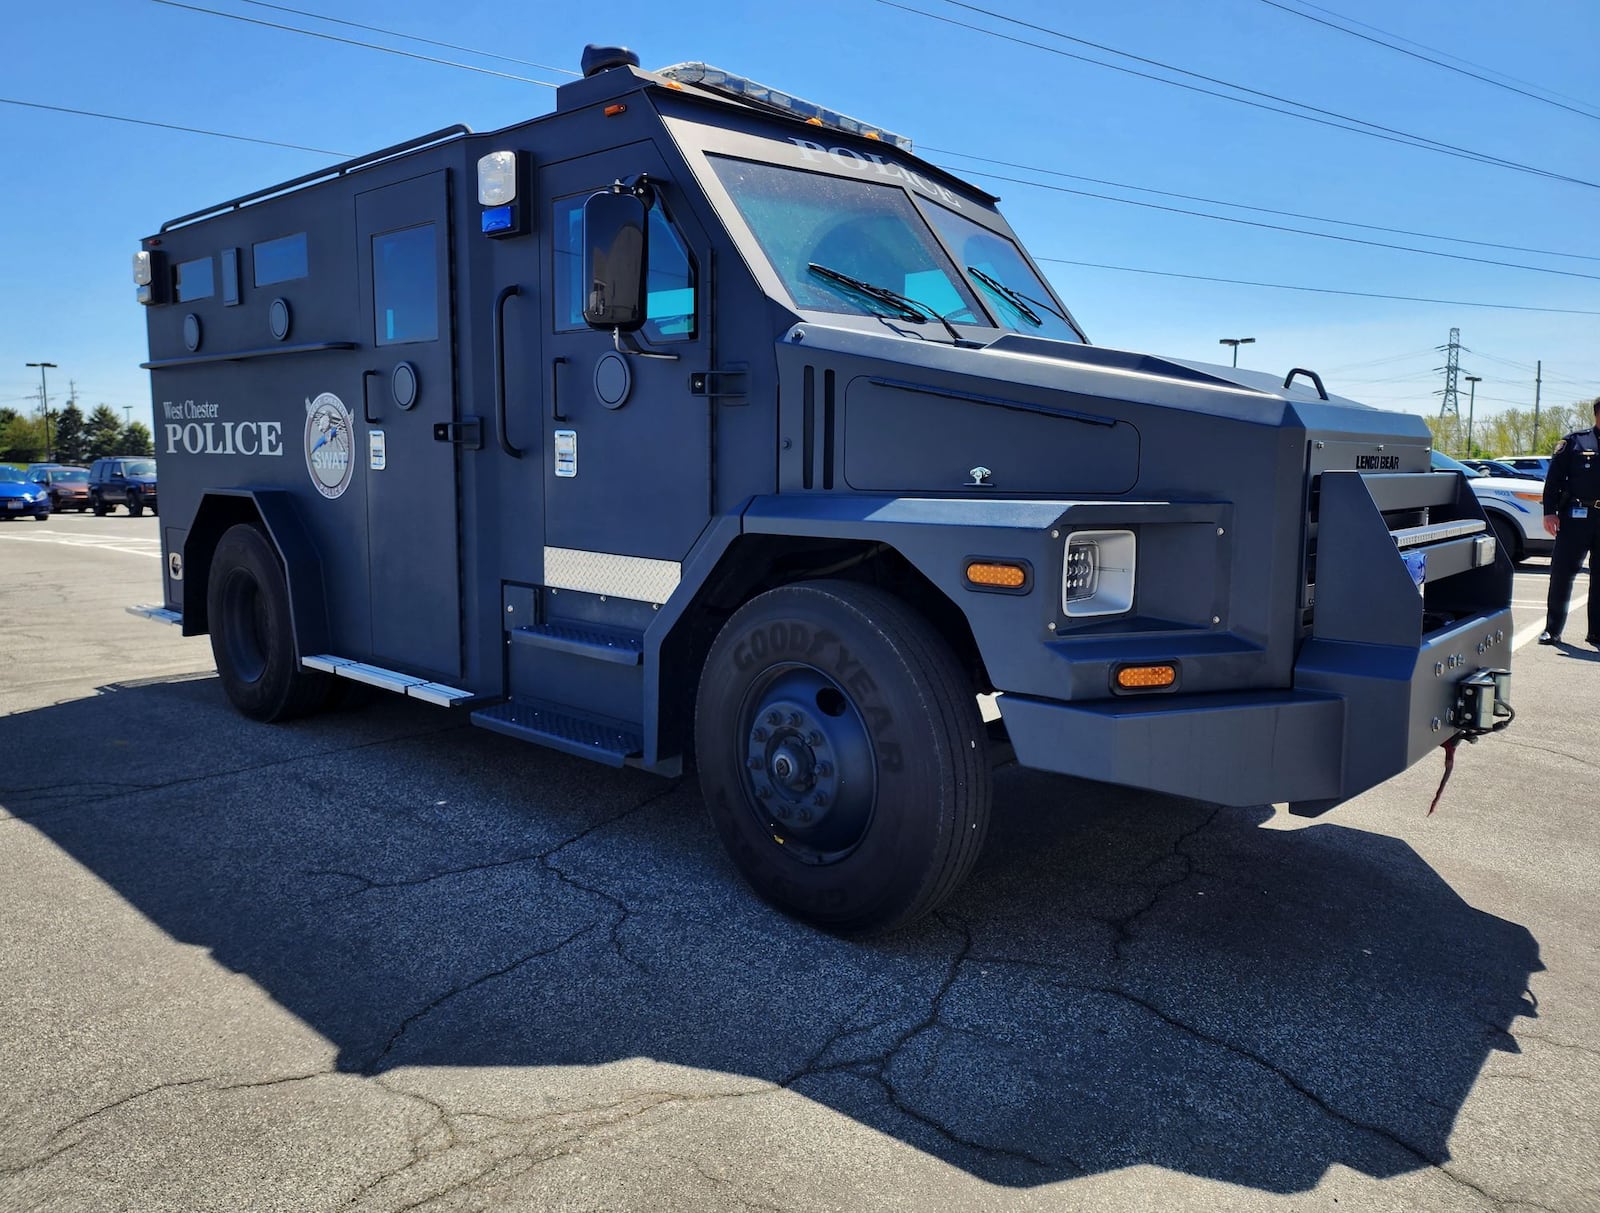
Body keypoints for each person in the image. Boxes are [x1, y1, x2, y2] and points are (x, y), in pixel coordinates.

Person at [1538, 396, 1600, 646]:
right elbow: (1553, 480)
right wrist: (1549, 512)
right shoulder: (1575, 441)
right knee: (1562, 573)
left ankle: (1596, 632)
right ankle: (1552, 629)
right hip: (1576, 517)